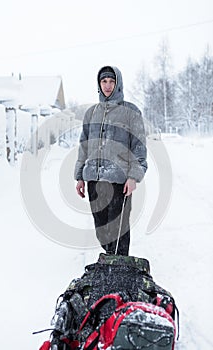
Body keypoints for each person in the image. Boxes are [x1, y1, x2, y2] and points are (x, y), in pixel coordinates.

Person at [74, 66, 147, 255]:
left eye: (111, 81)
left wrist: (133, 177)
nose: (107, 85)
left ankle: (120, 267)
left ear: (118, 84)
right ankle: (111, 262)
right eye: (104, 81)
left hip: (119, 180)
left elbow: (139, 147)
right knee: (102, 229)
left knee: (119, 228)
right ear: (99, 84)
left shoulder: (131, 112)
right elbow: (83, 146)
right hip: (94, 179)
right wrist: (80, 176)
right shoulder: (91, 113)